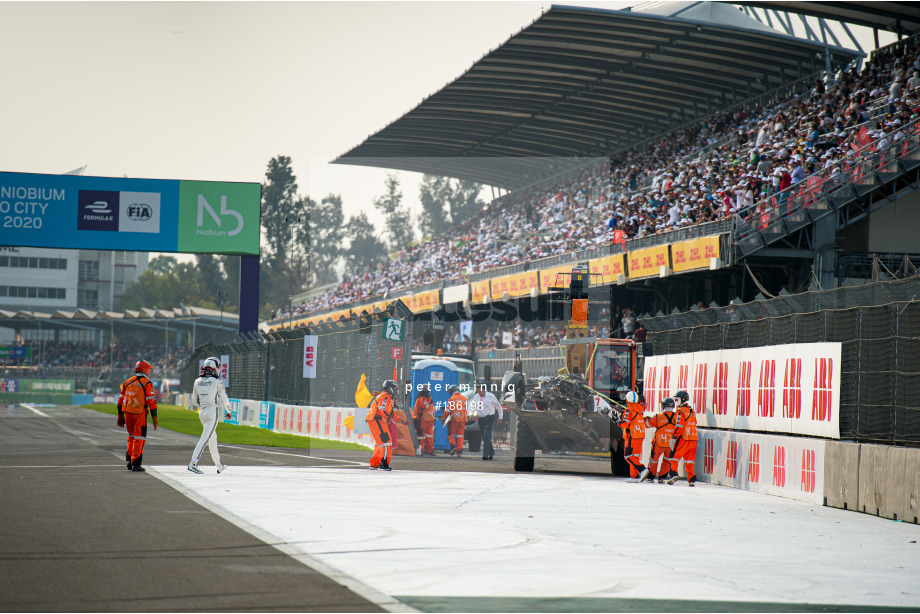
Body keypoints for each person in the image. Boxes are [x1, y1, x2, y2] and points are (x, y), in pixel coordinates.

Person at [187, 356, 231, 474]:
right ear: (214, 368)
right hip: (212, 412)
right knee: (205, 439)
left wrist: (202, 406)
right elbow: (224, 398)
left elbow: (194, 400)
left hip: (202, 412)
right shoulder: (217, 382)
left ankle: (219, 465)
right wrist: (229, 411)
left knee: (212, 439)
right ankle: (193, 463)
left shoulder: (197, 381)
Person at [116, 359, 158, 472]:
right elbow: (151, 401)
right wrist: (155, 417)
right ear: (146, 370)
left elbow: (120, 400)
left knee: (131, 436)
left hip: (127, 412)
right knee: (139, 438)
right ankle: (136, 463)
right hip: (140, 413)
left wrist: (120, 415)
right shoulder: (147, 383)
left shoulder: (127, 382)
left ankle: (129, 459)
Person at [366, 380, 401, 470]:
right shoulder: (385, 396)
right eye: (394, 388)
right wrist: (388, 417)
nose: (396, 390)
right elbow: (382, 409)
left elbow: (390, 413)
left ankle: (374, 464)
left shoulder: (387, 396)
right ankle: (383, 464)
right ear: (390, 388)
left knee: (380, 444)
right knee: (386, 442)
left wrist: (401, 420)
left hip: (377, 420)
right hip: (378, 420)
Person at [641, 396, 677, 483]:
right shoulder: (676, 416)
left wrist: (645, 419)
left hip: (658, 443)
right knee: (667, 461)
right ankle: (662, 477)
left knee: (653, 460)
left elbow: (647, 425)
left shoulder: (658, 416)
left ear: (663, 405)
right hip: (671, 444)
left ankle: (650, 477)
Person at [667, 390, 698, 486]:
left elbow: (679, 426)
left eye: (677, 399)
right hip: (693, 439)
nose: (676, 402)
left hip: (683, 438)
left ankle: (673, 474)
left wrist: (673, 437)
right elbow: (695, 422)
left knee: (673, 457)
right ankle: (691, 479)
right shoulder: (691, 410)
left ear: (682, 399)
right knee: (689, 461)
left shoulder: (680, 411)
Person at [619, 391, 649, 482]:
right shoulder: (640, 409)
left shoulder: (628, 410)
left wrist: (618, 422)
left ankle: (642, 470)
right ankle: (634, 476)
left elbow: (625, 423)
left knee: (628, 456)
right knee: (635, 457)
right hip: (640, 436)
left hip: (631, 436)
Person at [470, 381, 503, 460]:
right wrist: (471, 413)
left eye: (480, 390)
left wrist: (500, 416)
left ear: (484, 390)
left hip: (489, 418)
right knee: (485, 437)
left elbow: (498, 405)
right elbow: (474, 405)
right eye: (477, 390)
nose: (478, 392)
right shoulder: (476, 396)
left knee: (487, 435)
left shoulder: (491, 396)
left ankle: (485, 455)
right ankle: (491, 452)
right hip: (481, 419)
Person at [443, 384, 468, 456]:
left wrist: (443, 418)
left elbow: (447, 410)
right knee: (460, 436)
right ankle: (459, 452)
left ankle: (454, 447)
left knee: (450, 435)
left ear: (451, 391)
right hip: (463, 420)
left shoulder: (452, 399)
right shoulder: (464, 399)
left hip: (454, 420)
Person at [413, 388, 436, 456]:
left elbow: (431, 409)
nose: (429, 394)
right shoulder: (421, 399)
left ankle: (430, 450)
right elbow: (425, 406)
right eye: (428, 393)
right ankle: (420, 450)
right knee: (421, 436)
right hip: (422, 420)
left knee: (430, 436)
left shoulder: (426, 400)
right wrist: (430, 400)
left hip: (429, 421)